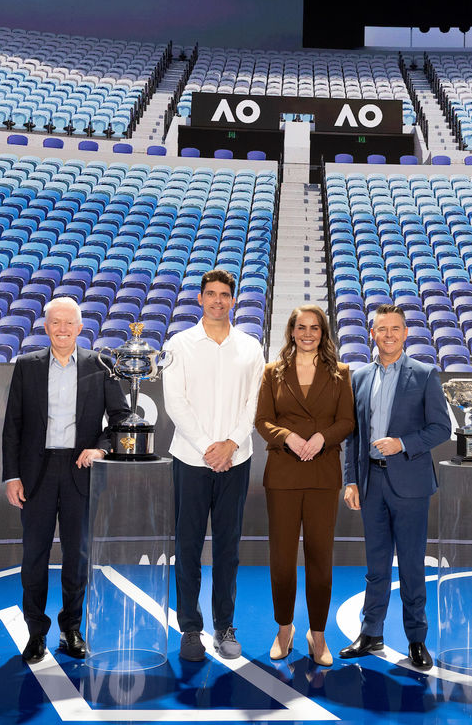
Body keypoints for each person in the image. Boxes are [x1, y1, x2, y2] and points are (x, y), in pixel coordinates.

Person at [2, 297, 128, 663]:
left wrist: (101, 449)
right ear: (46, 327)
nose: (62, 329)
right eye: (55, 322)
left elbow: (120, 418)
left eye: (68, 323)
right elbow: (13, 426)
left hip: (81, 472)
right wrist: (12, 476)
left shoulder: (100, 365)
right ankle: (35, 632)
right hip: (35, 476)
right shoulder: (27, 365)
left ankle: (71, 629)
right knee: (34, 557)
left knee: (77, 557)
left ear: (80, 327)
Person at [339, 303, 451, 670]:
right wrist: (351, 480)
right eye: (382, 329)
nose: (388, 335)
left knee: (412, 566)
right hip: (371, 482)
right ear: (372, 334)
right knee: (376, 565)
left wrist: (402, 443)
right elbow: (353, 437)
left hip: (411, 484)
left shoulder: (424, 374)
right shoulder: (359, 378)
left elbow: (441, 428)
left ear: (405, 333)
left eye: (395, 329)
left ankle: (416, 639)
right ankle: (371, 633)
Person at [163, 269, 266, 661]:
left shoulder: (250, 347)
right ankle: (190, 628)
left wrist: (231, 444)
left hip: (236, 459)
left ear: (233, 300)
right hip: (191, 458)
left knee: (228, 547)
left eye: (224, 294)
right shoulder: (180, 344)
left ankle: (225, 626)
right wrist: (209, 447)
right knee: (187, 545)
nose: (218, 300)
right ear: (200, 298)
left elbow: (255, 403)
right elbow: (175, 403)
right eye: (211, 294)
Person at [254, 305, 355, 666]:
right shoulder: (272, 372)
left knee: (320, 559)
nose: (308, 333)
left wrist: (322, 438)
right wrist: (289, 438)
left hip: (322, 475)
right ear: (292, 331)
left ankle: (318, 633)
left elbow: (347, 421)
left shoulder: (341, 373)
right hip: (283, 475)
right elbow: (263, 420)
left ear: (323, 333)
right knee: (282, 560)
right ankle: (284, 629)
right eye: (301, 327)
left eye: (314, 327)